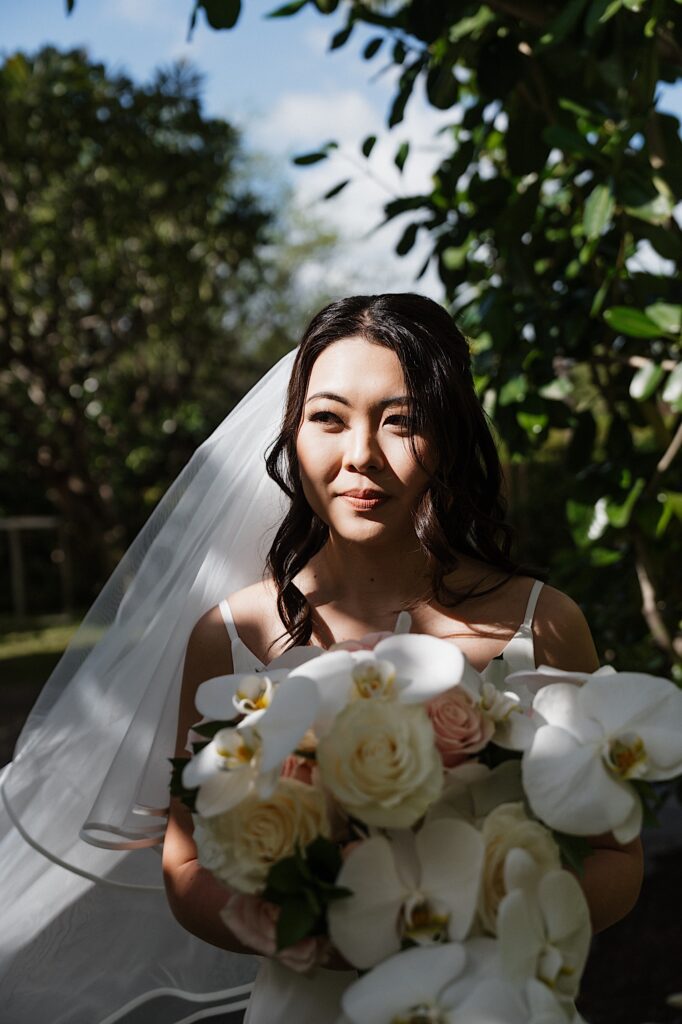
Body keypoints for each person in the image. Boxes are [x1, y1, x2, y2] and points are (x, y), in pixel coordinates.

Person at [161, 293, 644, 1024]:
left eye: (403, 422)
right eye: (328, 418)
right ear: (293, 433)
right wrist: (316, 930)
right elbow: (187, 862)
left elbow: (616, 857)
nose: (361, 454)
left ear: (448, 437)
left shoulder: (543, 624)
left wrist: (481, 923)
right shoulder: (232, 636)